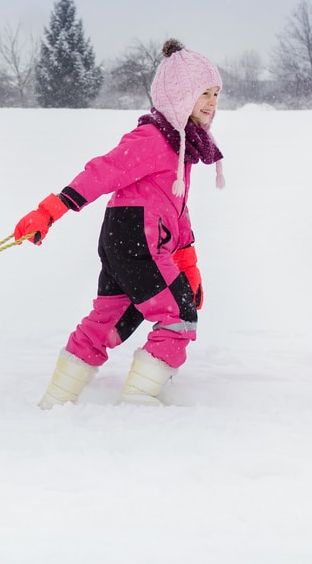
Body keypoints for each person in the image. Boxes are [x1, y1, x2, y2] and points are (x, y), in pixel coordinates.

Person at [14, 39, 224, 407]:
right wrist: (50, 211)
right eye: (201, 93)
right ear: (177, 95)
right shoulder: (154, 138)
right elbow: (103, 171)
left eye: (215, 94)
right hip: (138, 242)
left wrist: (187, 263)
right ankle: (138, 403)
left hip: (125, 240)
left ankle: (57, 398)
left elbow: (176, 209)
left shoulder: (180, 146)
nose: (210, 102)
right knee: (178, 316)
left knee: (110, 321)